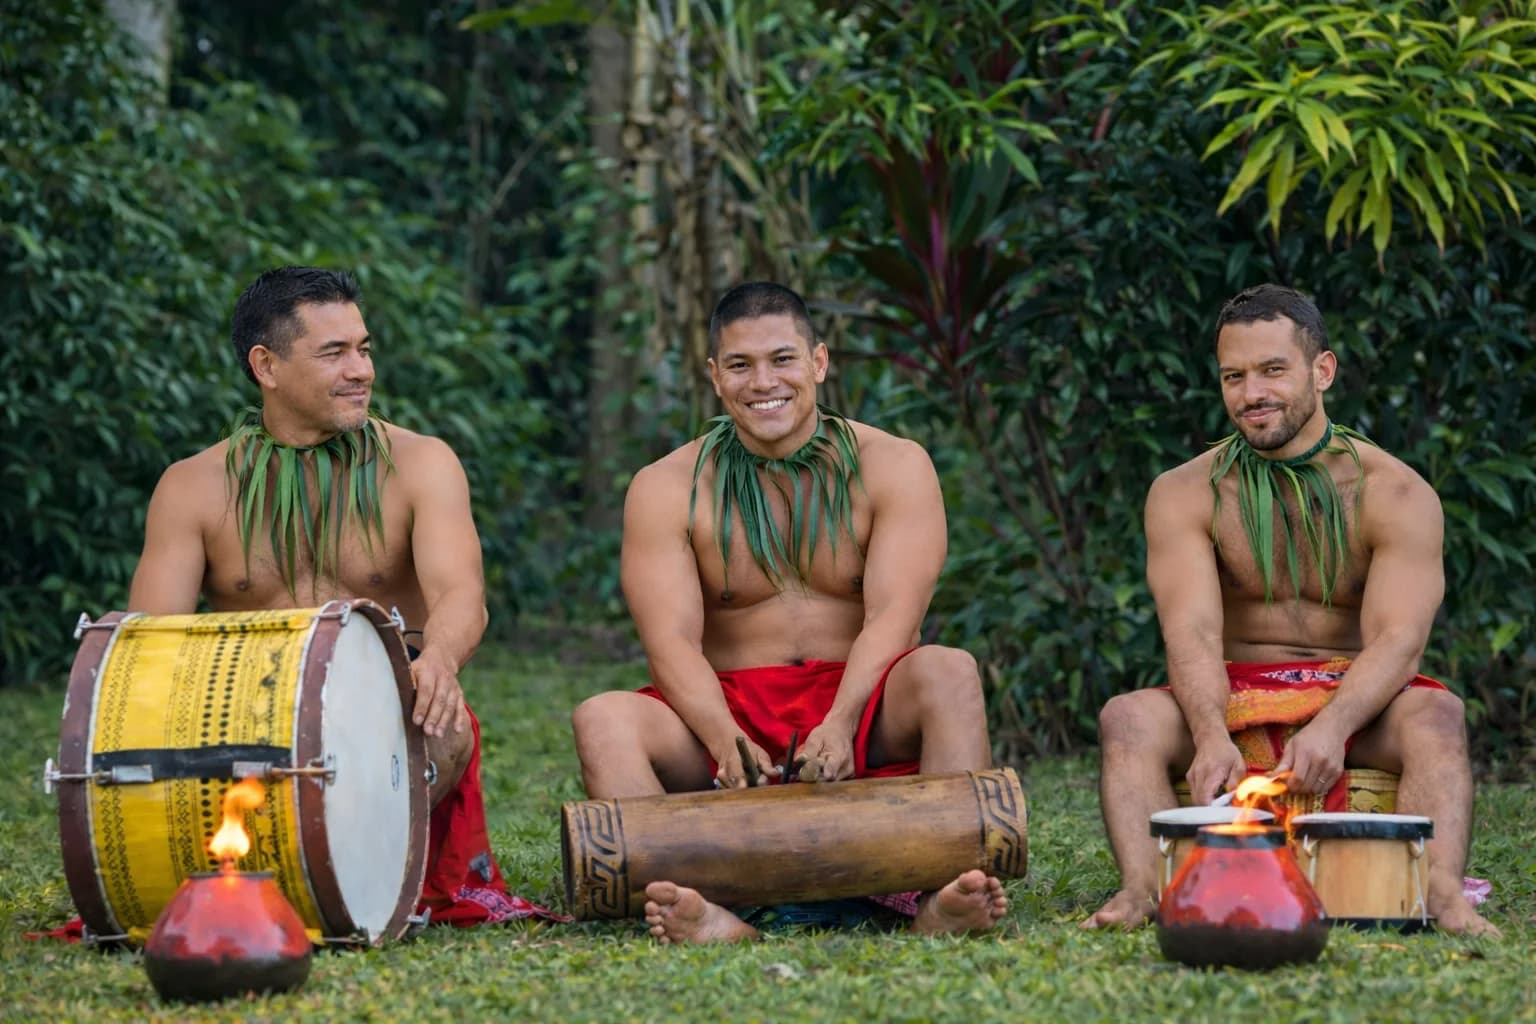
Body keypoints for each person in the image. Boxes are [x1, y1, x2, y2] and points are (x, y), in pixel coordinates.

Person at [571, 281, 1008, 943]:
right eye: (740, 365)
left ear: (819, 363)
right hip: (729, 710)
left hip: (862, 701)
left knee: (947, 670)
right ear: (715, 377)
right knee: (602, 718)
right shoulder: (665, 487)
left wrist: (843, 717)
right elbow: (670, 644)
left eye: (782, 359)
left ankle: (948, 893)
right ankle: (706, 908)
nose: (763, 382)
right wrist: (722, 738)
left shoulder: (894, 465)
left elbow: (894, 615)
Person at [127, 265, 553, 926]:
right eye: (334, 353)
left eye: (364, 348)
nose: (361, 370)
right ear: (265, 366)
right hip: (248, 726)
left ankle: (357, 870)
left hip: (392, 721)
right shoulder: (193, 487)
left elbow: (463, 596)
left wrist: (437, 660)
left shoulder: (419, 463)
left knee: (447, 728)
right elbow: (150, 647)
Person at [1082, 283, 1497, 936]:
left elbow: (1398, 639)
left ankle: (1439, 893)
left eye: (1273, 370)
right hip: (1235, 686)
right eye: (1234, 376)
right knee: (1127, 719)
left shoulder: (1394, 491)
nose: (1252, 394)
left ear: (1321, 370)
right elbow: (1190, 629)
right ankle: (1143, 890)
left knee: (1438, 716)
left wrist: (1333, 727)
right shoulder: (1185, 492)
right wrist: (1211, 729)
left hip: (1352, 693)